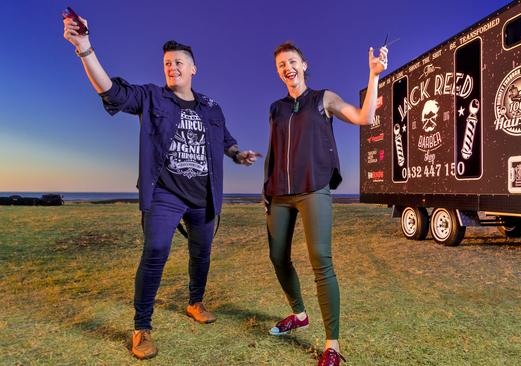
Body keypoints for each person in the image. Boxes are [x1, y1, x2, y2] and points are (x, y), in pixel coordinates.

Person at [63, 16, 260, 360]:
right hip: (164, 193)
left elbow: (225, 141)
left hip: (205, 195)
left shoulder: (212, 107)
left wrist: (237, 154)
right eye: (167, 63)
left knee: (202, 253)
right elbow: (111, 91)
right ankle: (142, 327)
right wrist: (85, 49)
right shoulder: (152, 98)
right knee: (155, 251)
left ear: (194, 68)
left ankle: (195, 302)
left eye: (179, 62)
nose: (172, 67)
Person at [264, 42, 388, 366]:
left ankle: (332, 345)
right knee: (278, 257)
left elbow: (365, 116)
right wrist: (267, 192)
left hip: (313, 189)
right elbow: (273, 152)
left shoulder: (324, 99)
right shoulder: (276, 108)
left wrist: (374, 75)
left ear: (304, 64)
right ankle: (298, 314)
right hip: (279, 193)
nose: (287, 68)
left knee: (321, 259)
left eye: (292, 62)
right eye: (281, 65)